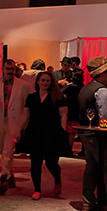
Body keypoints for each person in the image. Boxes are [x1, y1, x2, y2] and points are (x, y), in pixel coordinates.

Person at [0, 59, 30, 195]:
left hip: (15, 123)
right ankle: (10, 176)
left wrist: (23, 124)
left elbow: (26, 107)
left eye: (12, 69)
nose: (10, 72)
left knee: (8, 151)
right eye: (7, 69)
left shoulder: (24, 85)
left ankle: (4, 176)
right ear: (3, 69)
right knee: (3, 150)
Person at [77, 56, 107, 211]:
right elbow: (104, 119)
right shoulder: (102, 91)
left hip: (86, 134)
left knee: (91, 168)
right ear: (103, 73)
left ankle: (87, 202)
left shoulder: (86, 88)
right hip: (99, 137)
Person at [24, 72, 67, 200]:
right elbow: (26, 116)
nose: (45, 83)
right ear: (38, 82)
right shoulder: (31, 98)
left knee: (51, 162)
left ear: (51, 82)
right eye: (42, 80)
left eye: (47, 81)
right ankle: (37, 189)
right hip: (34, 132)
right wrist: (21, 130)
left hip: (52, 133)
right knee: (35, 162)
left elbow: (63, 115)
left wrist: (63, 132)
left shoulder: (58, 97)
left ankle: (57, 179)